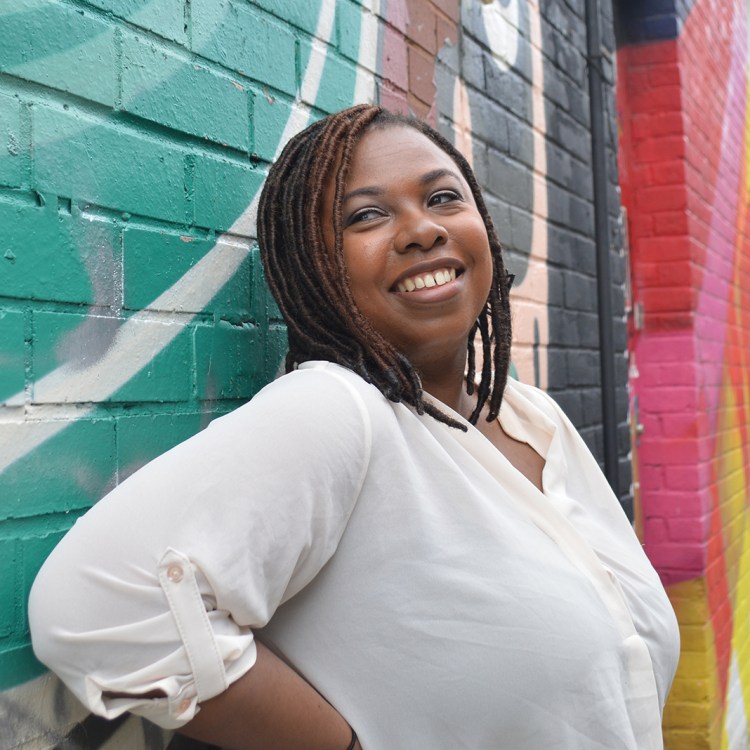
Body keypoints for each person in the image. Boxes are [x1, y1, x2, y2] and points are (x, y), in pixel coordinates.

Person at [29, 104, 679, 749]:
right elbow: (93, 608)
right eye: (366, 215)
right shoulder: (340, 410)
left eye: (443, 198)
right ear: (313, 264)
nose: (422, 230)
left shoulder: (532, 417)